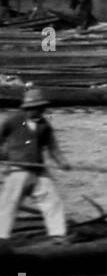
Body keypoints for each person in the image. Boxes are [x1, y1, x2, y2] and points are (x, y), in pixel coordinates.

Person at [0, 89, 71, 241]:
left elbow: (53, 148)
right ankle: (2, 236)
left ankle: (58, 234)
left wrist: (62, 162)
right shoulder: (12, 121)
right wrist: (5, 156)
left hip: (38, 170)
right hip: (17, 170)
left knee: (52, 200)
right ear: (27, 108)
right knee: (9, 203)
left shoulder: (44, 125)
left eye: (41, 108)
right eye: (36, 108)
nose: (39, 111)